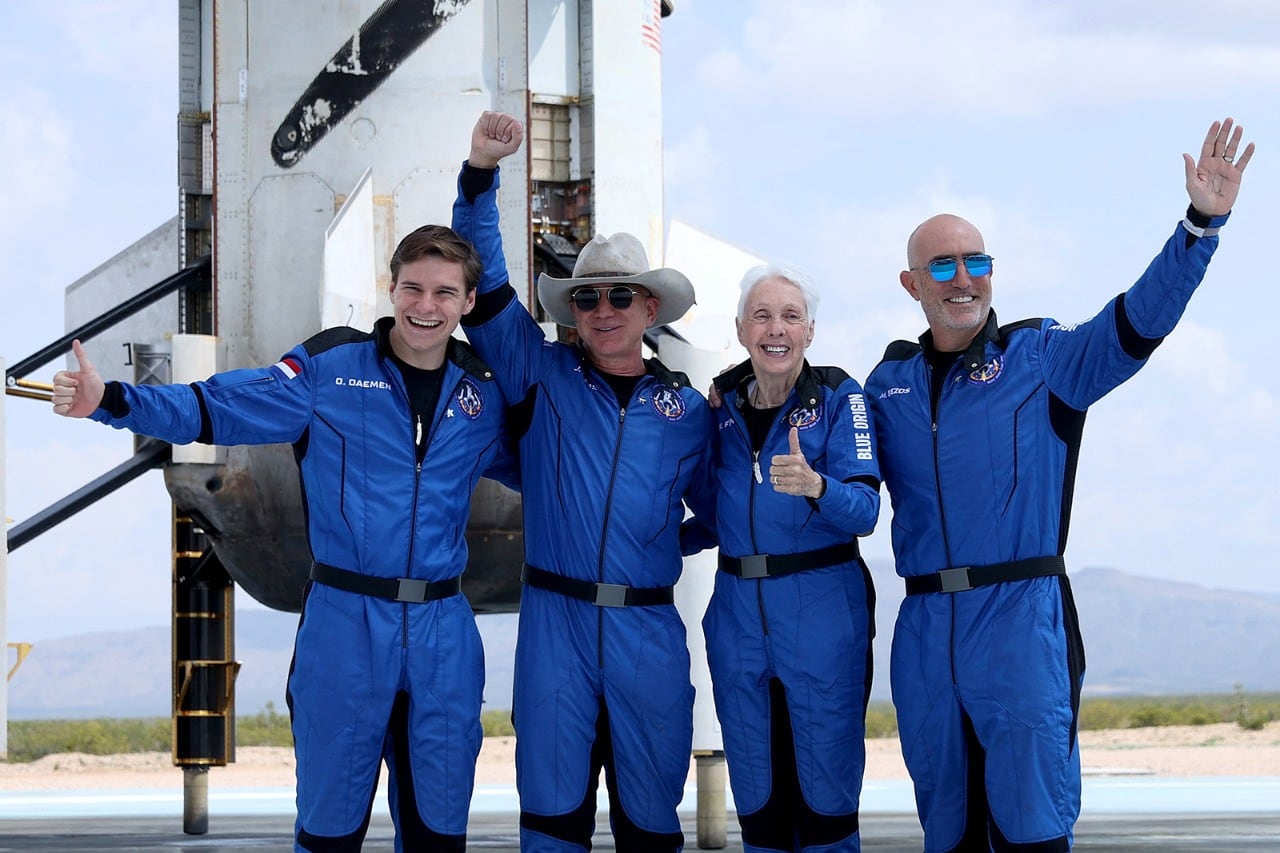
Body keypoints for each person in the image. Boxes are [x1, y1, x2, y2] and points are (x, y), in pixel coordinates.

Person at [51, 224, 512, 852]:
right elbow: (217, 406)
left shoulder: (485, 394)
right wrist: (112, 400)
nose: (425, 306)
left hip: (443, 635)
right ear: (392, 288)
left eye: (443, 293)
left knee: (439, 834)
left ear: (468, 301)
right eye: (413, 288)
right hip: (345, 627)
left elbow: (561, 467)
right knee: (328, 831)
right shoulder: (329, 370)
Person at [863, 117, 1255, 851]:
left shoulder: (1045, 359)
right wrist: (741, 393)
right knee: (947, 832)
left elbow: (1137, 321)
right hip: (923, 632)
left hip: (1020, 624)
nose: (963, 278)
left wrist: (1200, 226)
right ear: (912, 284)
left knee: (1034, 828)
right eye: (942, 267)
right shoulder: (887, 386)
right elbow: (834, 463)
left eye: (976, 261)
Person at [451, 110, 716, 852]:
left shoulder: (691, 413)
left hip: (648, 632)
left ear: (650, 308)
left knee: (650, 826)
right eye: (589, 298)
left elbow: (724, 512)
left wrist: (661, 542)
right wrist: (479, 174)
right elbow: (487, 285)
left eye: (621, 296)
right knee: (551, 823)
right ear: (572, 310)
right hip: (554, 631)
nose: (604, 310)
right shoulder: (539, 374)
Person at [701, 263, 882, 852]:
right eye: (761, 316)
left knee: (825, 802)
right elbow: (718, 515)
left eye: (790, 316)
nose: (775, 328)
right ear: (740, 330)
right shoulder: (720, 406)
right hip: (737, 622)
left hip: (822, 617)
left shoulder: (840, 398)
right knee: (759, 803)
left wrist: (817, 486)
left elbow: (866, 511)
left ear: (809, 331)